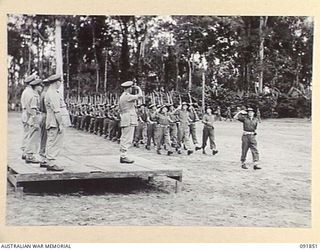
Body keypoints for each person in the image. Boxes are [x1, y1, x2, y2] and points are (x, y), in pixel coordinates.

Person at [44, 74, 65, 171]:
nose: (60, 84)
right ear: (57, 82)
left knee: (51, 141)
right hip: (54, 121)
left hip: (51, 120)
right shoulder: (53, 93)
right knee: (54, 141)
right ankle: (51, 162)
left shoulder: (51, 92)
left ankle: (49, 161)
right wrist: (60, 124)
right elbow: (57, 110)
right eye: (60, 82)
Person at [119, 81, 143, 163]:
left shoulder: (122, 96)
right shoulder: (127, 96)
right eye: (131, 88)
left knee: (124, 137)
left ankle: (123, 155)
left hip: (125, 117)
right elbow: (140, 96)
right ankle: (123, 156)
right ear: (129, 88)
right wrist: (138, 88)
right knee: (128, 138)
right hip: (129, 118)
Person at [24, 79, 43, 164]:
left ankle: (28, 154)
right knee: (33, 138)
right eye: (40, 86)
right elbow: (33, 109)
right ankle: (30, 156)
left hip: (31, 118)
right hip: (34, 118)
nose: (41, 87)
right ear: (36, 87)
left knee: (31, 136)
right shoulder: (34, 96)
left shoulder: (32, 94)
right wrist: (35, 121)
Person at [20, 75, 37, 160]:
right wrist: (32, 116)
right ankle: (28, 153)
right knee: (30, 134)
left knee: (26, 133)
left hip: (24, 113)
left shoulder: (25, 91)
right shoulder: (30, 92)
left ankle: (24, 152)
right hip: (28, 113)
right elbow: (28, 106)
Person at [39, 78, 50, 166]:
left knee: (44, 137)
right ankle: (43, 157)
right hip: (46, 115)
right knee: (45, 137)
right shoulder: (46, 94)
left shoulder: (42, 93)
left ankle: (43, 155)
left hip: (43, 115)